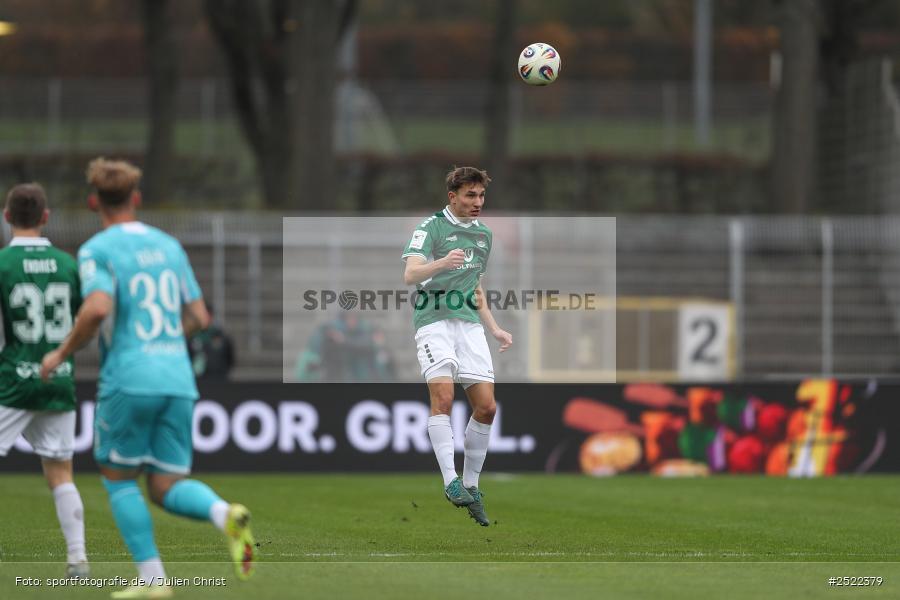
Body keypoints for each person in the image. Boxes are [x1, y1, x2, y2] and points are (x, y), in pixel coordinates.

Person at [40, 158, 254, 599]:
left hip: (130, 377)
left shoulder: (97, 249)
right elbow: (199, 316)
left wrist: (61, 351)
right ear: (136, 198)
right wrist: (166, 341)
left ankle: (153, 579)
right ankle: (223, 513)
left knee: (119, 478)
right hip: (176, 376)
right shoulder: (169, 245)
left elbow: (98, 308)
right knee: (164, 484)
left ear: (93, 201)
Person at [401, 166, 512, 527]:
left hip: (468, 326)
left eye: (481, 196)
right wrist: (441, 262)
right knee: (444, 400)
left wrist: (494, 328)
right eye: (470, 196)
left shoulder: (483, 236)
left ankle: (471, 485)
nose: (477, 202)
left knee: (487, 407)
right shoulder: (429, 228)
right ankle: (450, 480)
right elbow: (410, 275)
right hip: (433, 321)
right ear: (453, 197)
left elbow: (475, 285)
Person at [0, 183, 89, 578]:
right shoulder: (68, 264)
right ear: (46, 216)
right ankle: (78, 559)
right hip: (58, 378)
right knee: (60, 471)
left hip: (12, 379)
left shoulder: (2, 264)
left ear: (6, 217)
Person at [188, 303, 235, 381]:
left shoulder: (221, 336)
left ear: (211, 316)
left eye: (207, 315)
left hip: (219, 380)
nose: (204, 318)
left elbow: (230, 358)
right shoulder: (191, 338)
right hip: (198, 381)